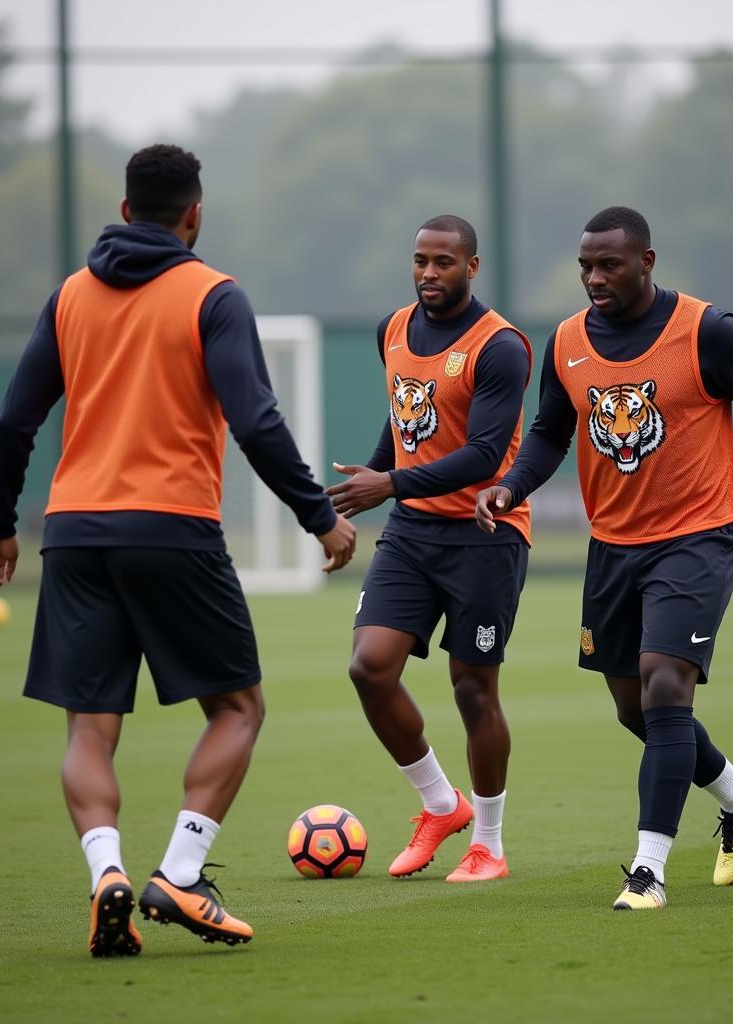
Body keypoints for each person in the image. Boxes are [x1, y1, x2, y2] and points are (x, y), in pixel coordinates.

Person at [0, 144, 356, 957]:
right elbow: (255, 423)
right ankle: (180, 872)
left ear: (122, 213)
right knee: (239, 707)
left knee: (89, 727)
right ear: (195, 215)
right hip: (172, 528)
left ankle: (105, 872)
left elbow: (15, 421)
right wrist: (318, 515)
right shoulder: (212, 295)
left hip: (74, 533)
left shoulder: (70, 296)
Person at [476, 207, 733, 911]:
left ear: (647, 261)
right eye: (586, 266)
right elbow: (549, 432)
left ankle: (648, 871)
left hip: (697, 537)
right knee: (635, 708)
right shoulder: (568, 341)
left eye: (609, 265)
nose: (595, 278)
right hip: (612, 547)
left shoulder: (706, 330)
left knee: (666, 685)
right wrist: (510, 485)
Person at [326, 215, 531, 882]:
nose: (428, 274)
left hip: (484, 533)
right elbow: (406, 411)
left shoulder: (500, 347)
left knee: (473, 692)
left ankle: (489, 845)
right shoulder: (393, 328)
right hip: (413, 532)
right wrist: (378, 471)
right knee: (369, 667)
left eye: (444, 262)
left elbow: (482, 454)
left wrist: (389, 483)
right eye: (420, 261)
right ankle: (441, 805)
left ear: (472, 267)